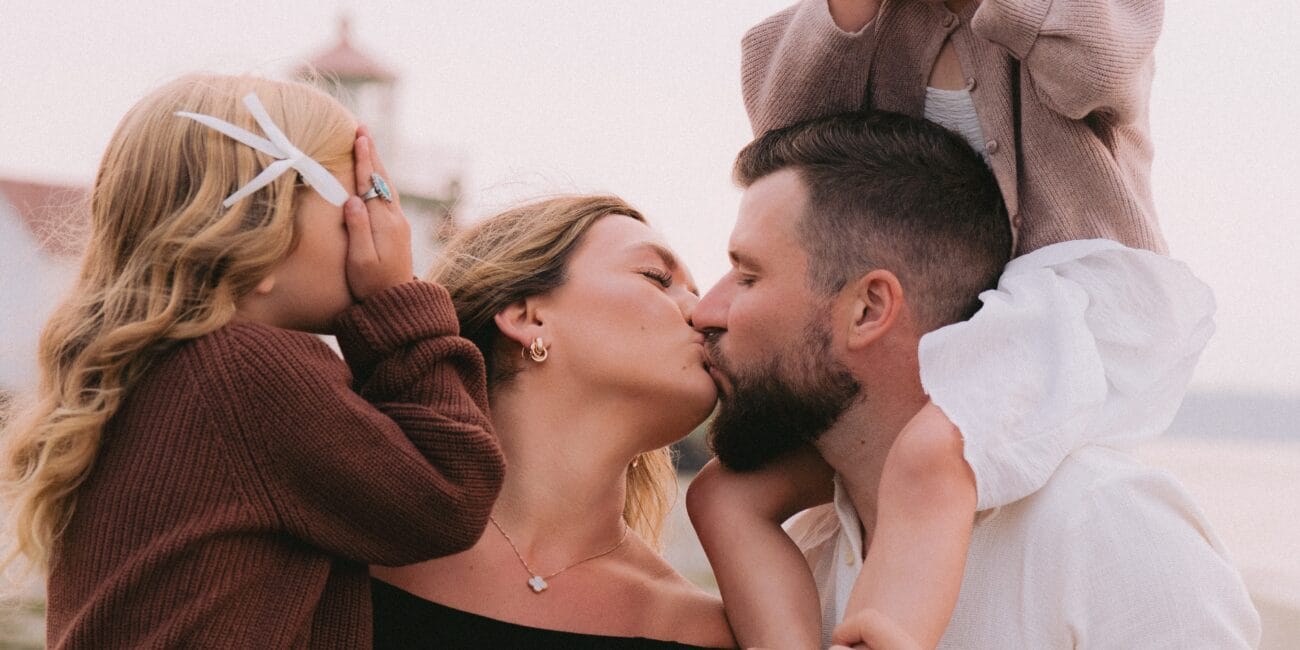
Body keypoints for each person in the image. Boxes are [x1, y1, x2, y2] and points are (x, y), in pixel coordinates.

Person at [693, 0, 1227, 645]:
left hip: (1076, 303)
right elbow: (788, 136)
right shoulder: (825, 538)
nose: (704, 309)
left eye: (747, 277)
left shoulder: (1102, 525)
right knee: (726, 494)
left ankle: (889, 631)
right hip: (953, 306)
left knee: (932, 455)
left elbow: (1097, 63)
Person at [0, 74, 506, 648]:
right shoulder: (245, 372)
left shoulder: (144, 370)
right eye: (361, 202)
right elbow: (447, 496)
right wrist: (399, 302)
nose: (383, 229)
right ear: (262, 228)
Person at [369, 195, 735, 649]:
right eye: (657, 279)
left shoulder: (702, 632)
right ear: (527, 315)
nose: (703, 314)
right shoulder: (354, 542)